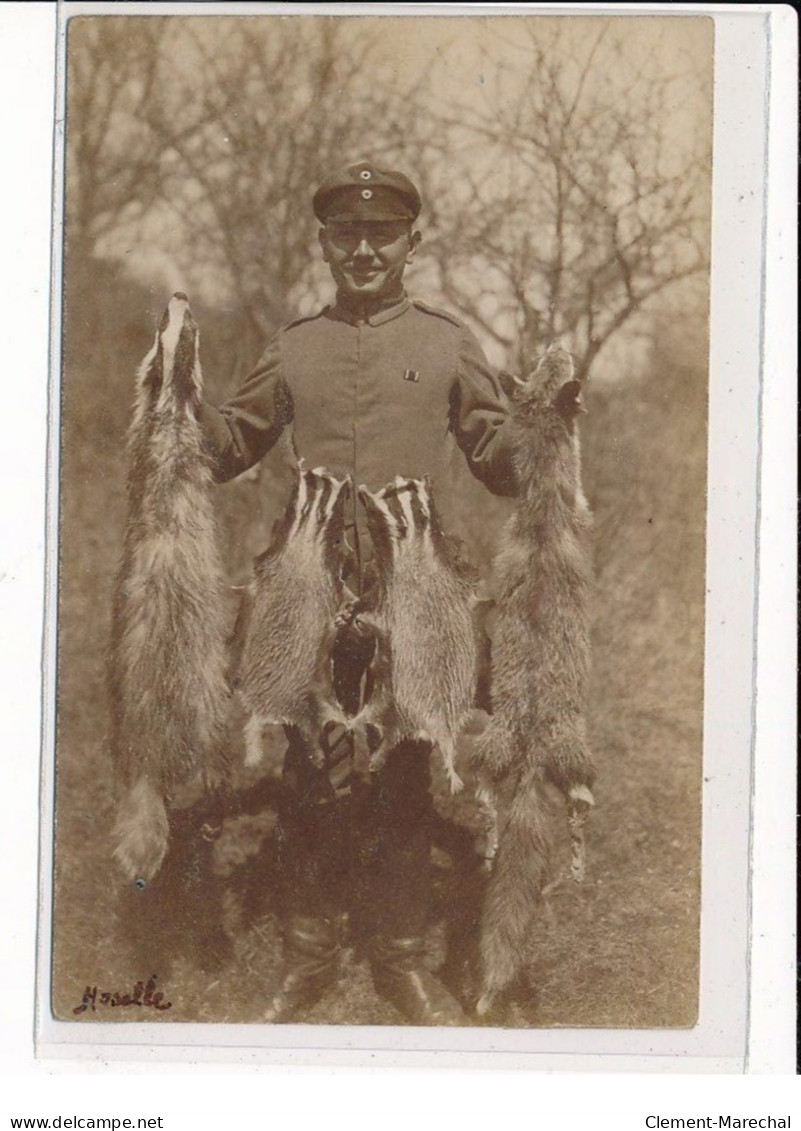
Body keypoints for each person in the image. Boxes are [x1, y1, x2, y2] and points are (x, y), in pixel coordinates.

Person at [198, 160, 518, 1025]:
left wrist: (543, 435)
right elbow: (233, 442)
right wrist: (177, 398)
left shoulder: (447, 341)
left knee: (406, 774)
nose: (365, 248)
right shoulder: (295, 343)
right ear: (326, 242)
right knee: (306, 768)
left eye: (382, 233)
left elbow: (496, 456)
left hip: (412, 582)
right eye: (347, 233)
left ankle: (401, 954)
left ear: (414, 240)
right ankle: (308, 951)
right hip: (305, 579)